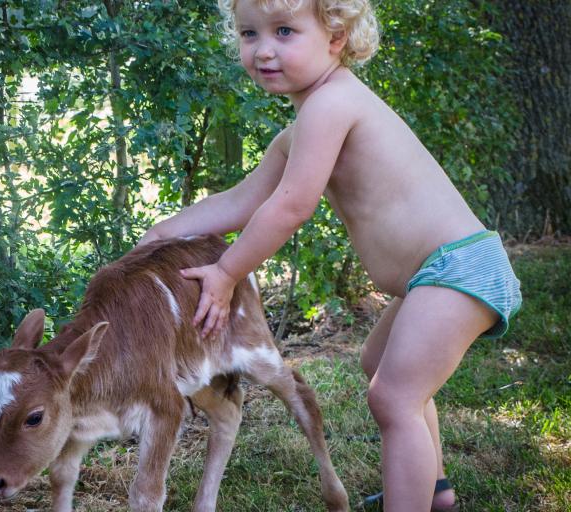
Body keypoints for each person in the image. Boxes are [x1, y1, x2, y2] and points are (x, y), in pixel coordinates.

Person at [138, 0, 522, 510]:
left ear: (336, 37)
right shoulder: (302, 127)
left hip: (458, 266)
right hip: (436, 273)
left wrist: (228, 272)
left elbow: (292, 205)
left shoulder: (332, 105)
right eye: (250, 34)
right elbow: (239, 201)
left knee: (393, 397)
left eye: (284, 31)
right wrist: (159, 235)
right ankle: (434, 491)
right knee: (380, 363)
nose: (263, 49)